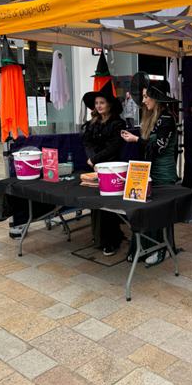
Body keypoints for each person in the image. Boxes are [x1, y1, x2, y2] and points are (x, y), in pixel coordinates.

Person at [120, 77, 179, 264]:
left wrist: (136, 140)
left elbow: (158, 148)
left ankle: (163, 249)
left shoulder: (167, 119)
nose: (143, 101)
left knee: (160, 213)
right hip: (150, 171)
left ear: (157, 98)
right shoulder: (154, 118)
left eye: (147, 97)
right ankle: (145, 247)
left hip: (163, 173)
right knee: (146, 211)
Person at [82, 80, 125, 256]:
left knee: (109, 206)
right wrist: (93, 160)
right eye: (96, 103)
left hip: (112, 168)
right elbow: (88, 142)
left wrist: (96, 159)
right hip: (96, 167)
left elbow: (115, 147)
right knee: (96, 203)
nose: (98, 106)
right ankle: (99, 236)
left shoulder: (118, 123)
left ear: (110, 104)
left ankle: (111, 241)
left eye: (102, 102)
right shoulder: (92, 123)